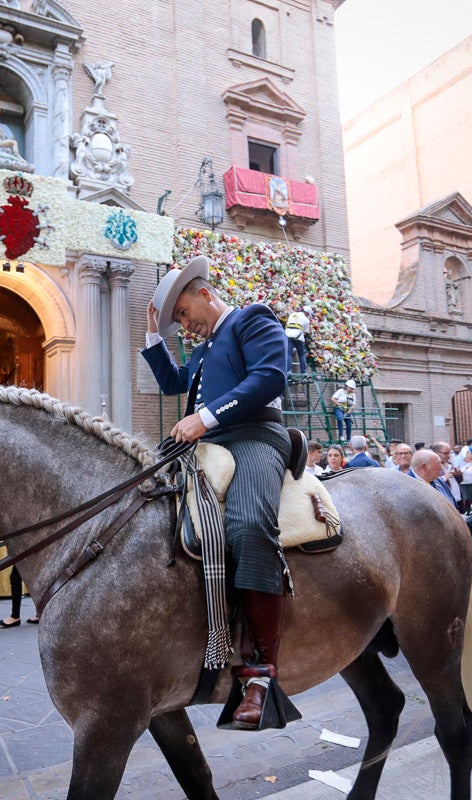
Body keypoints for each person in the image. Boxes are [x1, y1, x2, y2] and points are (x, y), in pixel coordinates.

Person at [140, 255, 292, 729]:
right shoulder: (204, 349)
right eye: (178, 321)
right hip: (207, 443)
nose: (184, 325)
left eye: (184, 313)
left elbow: (269, 376)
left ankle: (261, 674)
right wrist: (154, 336)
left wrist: (204, 418)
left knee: (248, 524)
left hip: (255, 438)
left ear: (205, 293)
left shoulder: (252, 319)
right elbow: (173, 383)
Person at [284, 307, 311, 374]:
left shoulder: (292, 314)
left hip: (288, 335)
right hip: (298, 337)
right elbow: (305, 331)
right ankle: (303, 371)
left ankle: (288, 370)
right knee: (301, 354)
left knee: (288, 353)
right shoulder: (306, 319)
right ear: (307, 313)